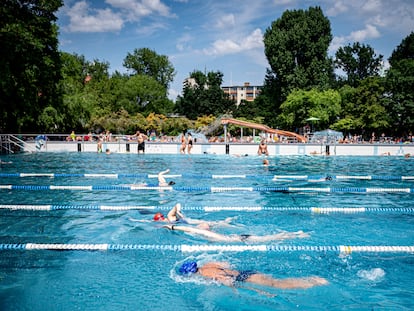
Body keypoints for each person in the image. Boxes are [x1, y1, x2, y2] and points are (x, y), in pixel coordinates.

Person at [178, 261, 328, 290]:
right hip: (246, 272)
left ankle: (314, 282)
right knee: (275, 281)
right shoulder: (208, 263)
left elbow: (228, 281)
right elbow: (227, 264)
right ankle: (312, 280)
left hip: (245, 278)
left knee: (278, 285)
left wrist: (256, 291)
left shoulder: (206, 274)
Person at [163, 224, 309, 242]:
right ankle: (295, 232)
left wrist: (173, 227)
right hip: (239, 237)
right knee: (269, 238)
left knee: (270, 239)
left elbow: (189, 229)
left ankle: (296, 233)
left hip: (241, 239)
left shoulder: (207, 235)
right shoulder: (212, 235)